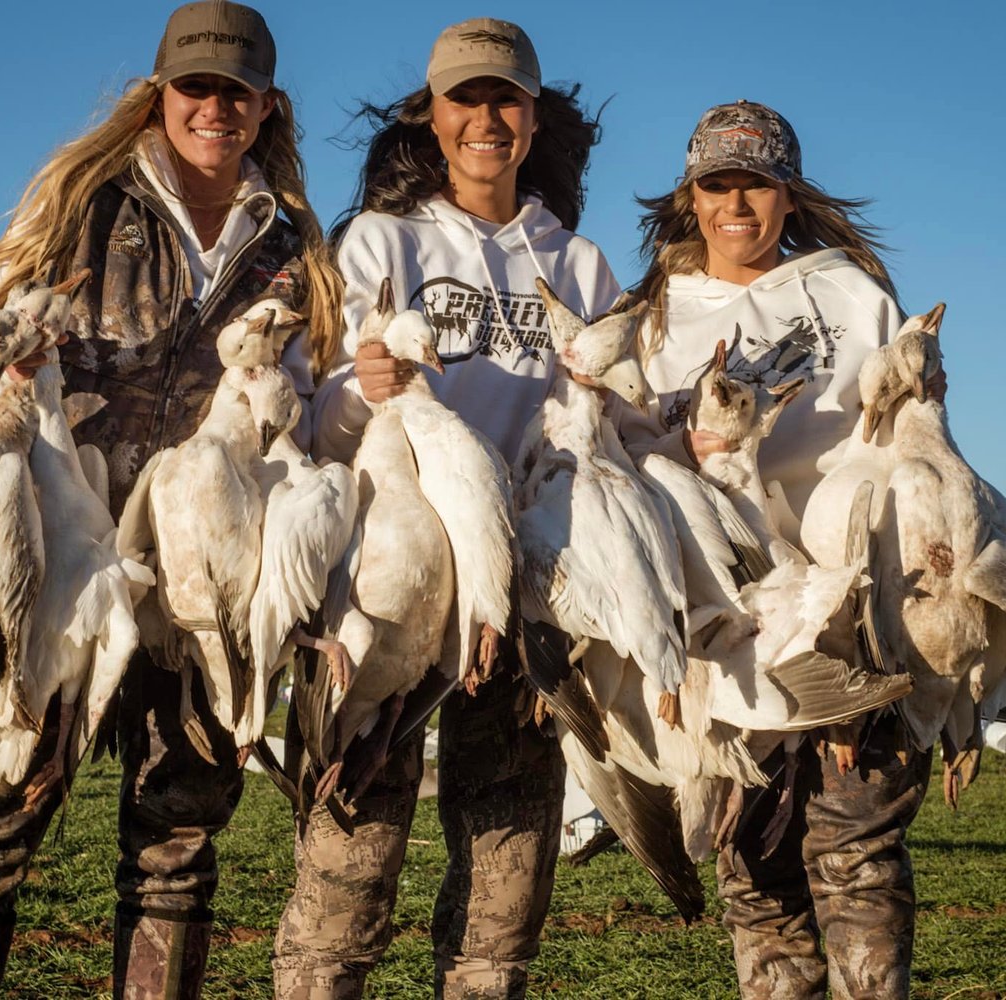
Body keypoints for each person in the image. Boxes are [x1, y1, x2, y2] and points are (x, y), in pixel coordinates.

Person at [0, 4, 342, 998]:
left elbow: (311, 404)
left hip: (205, 577)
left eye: (235, 90)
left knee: (177, 837)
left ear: (265, 104)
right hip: (58, 556)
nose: (214, 106)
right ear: (161, 95)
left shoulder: (291, 247)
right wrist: (8, 358)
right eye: (195, 86)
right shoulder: (83, 200)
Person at [274, 18, 619, 1000]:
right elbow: (316, 429)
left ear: (532, 115)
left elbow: (608, 432)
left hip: (518, 591)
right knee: (349, 863)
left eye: (504, 98)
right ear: (430, 115)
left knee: (504, 884)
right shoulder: (379, 242)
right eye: (463, 98)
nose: (485, 118)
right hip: (389, 586)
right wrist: (361, 388)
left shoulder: (581, 267)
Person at [621, 100, 934, 999]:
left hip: (849, 613)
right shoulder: (654, 315)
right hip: (725, 625)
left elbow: (905, 444)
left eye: (755, 183)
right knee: (754, 872)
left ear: (787, 195)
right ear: (691, 196)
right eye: (716, 184)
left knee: (856, 853)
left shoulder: (853, 296)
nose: (736, 204)